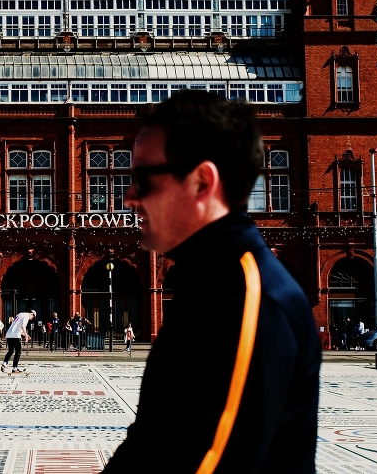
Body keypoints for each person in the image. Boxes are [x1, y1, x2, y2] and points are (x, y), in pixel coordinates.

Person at [106, 92, 320, 474]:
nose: (129, 197)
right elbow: (151, 443)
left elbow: (209, 463)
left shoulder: (249, 299)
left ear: (202, 181)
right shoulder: (211, 286)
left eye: (142, 178)